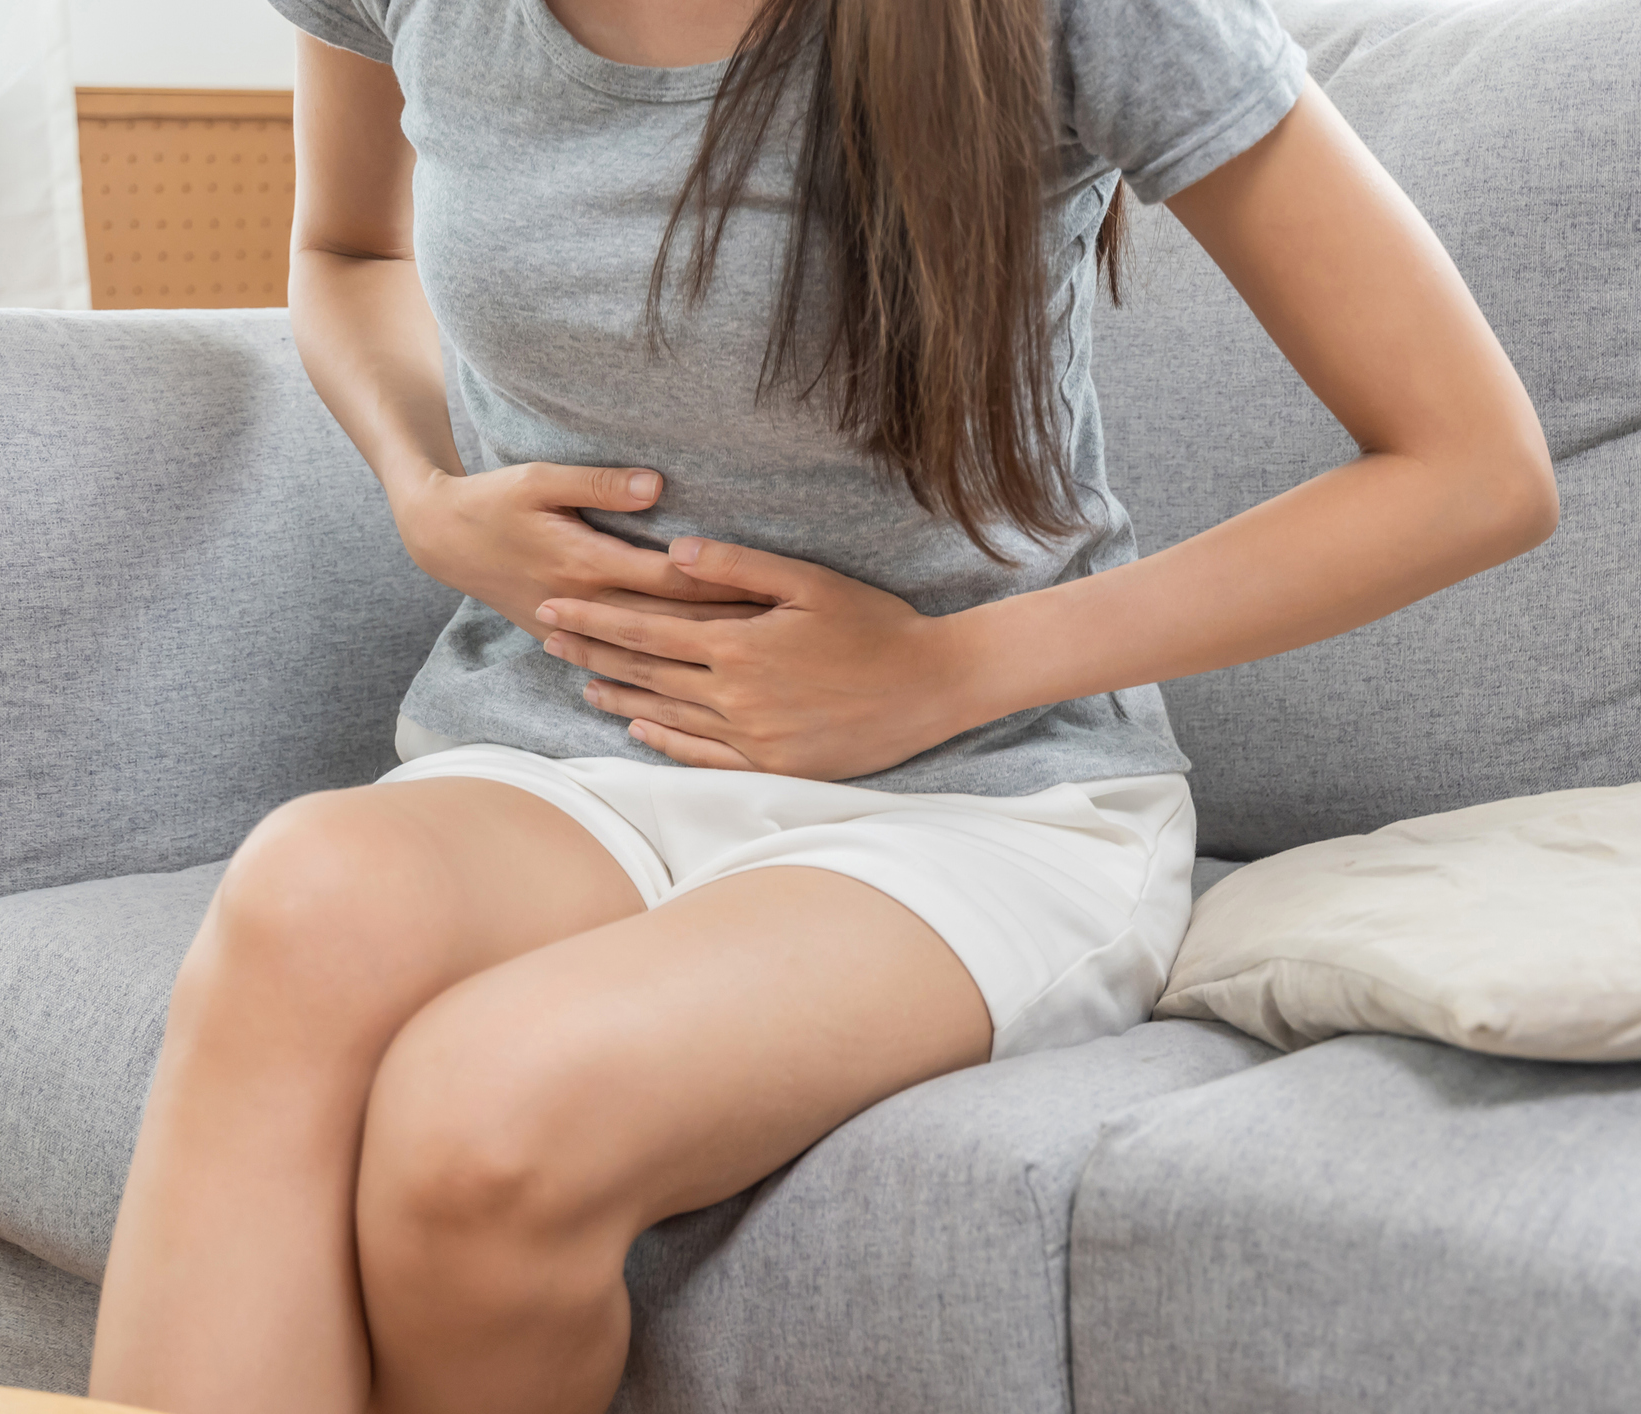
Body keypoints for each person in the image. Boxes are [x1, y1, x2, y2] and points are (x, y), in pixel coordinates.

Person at [87, 0, 1556, 1410]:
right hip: (562, 746)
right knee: (295, 903)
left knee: (481, 1126)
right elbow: (350, 250)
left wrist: (940, 673)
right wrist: (427, 492)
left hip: (972, 798)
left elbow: (1472, 469)